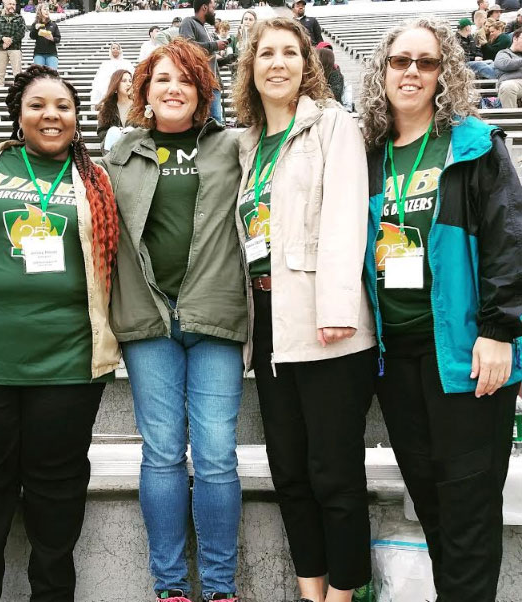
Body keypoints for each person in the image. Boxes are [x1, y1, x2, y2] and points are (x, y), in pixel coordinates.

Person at [360, 17, 522, 602]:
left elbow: (509, 238)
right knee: (431, 503)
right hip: (397, 360)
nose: (411, 72)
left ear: (443, 73)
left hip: (465, 353)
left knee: (469, 512)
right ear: (382, 72)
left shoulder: (474, 144)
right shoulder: (370, 155)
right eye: (400, 61)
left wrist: (499, 330)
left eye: (425, 62)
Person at [0, 64, 120, 602]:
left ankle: (52, 594)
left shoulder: (95, 180)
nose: (51, 115)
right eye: (38, 105)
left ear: (78, 119)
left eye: (63, 107)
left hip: (68, 363)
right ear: (18, 114)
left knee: (57, 489)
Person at [232, 17, 376, 602]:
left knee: (333, 475)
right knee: (289, 472)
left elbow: (347, 217)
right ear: (251, 67)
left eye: (290, 53)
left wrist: (336, 304)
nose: (278, 63)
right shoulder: (245, 144)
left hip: (326, 321)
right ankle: (310, 591)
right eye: (266, 53)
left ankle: (344, 595)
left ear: (306, 64)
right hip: (269, 323)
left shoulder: (332, 126)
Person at [100, 38, 246, 602]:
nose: (173, 89)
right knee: (161, 453)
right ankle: (170, 588)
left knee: (214, 455)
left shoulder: (233, 147)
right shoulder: (121, 155)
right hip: (148, 322)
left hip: (214, 316)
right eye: (162, 79)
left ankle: (219, 586)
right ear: (144, 90)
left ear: (202, 91)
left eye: (186, 79)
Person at [179, 0, 227, 123]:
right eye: (213, 7)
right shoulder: (188, 22)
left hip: (212, 85)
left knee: (216, 123)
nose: (214, 12)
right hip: (200, 84)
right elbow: (187, 46)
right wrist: (214, 45)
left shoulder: (204, 28)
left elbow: (208, 58)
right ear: (204, 7)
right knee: (206, 122)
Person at [96, 68, 132, 152]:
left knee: (131, 130)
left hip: (133, 145)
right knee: (114, 131)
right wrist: (117, 132)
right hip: (112, 147)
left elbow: (144, 129)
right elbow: (101, 132)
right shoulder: (107, 106)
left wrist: (129, 132)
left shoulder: (138, 106)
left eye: (130, 81)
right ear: (116, 84)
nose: (128, 84)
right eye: (124, 81)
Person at [0, 0, 25, 87]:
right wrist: (3, 38)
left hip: (15, 48)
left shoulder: (20, 18)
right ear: (5, 4)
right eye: (10, 4)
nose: (12, 6)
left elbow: (21, 33)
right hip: (1, 48)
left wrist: (10, 41)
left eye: (14, 4)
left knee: (18, 72)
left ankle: (18, 90)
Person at [90, 42, 134, 106]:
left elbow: (130, 76)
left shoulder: (127, 63)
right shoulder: (105, 64)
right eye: (113, 48)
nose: (115, 49)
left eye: (117, 48)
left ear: (120, 51)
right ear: (110, 51)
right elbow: (100, 79)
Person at [495, 28, 522, 106]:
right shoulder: (503, 53)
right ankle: (512, 117)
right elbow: (505, 64)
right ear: (515, 38)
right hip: (511, 83)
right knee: (508, 87)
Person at [30, 2, 60, 70]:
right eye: (44, 9)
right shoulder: (35, 24)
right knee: (39, 76)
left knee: (52, 75)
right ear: (40, 11)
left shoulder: (53, 24)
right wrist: (35, 29)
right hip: (39, 54)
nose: (47, 11)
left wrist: (52, 39)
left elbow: (58, 38)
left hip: (52, 54)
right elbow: (32, 36)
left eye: (48, 10)